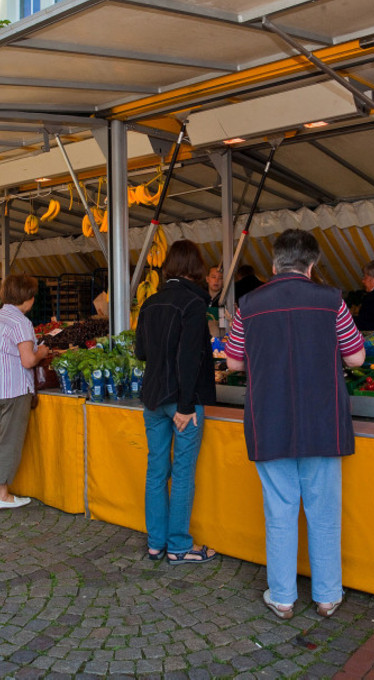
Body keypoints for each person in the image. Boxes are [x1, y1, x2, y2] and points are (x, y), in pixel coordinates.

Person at [225, 229, 365, 619]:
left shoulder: (248, 304)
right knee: (324, 512)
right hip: (322, 421)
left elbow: (234, 362)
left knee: (279, 511)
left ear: (275, 263)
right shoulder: (331, 300)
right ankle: (327, 596)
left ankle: (283, 598)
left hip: (269, 419)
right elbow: (355, 358)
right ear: (312, 264)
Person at [135, 239, 217, 564]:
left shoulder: (150, 303)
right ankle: (180, 546)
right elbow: (189, 358)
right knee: (182, 472)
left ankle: (156, 544)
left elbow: (141, 352)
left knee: (156, 471)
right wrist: (185, 405)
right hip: (183, 399)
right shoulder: (195, 304)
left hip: (153, 398)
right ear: (196, 268)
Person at [0, 274, 50, 510]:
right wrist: (43, 352)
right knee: (10, 444)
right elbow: (28, 361)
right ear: (27, 298)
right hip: (12, 390)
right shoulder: (20, 323)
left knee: (0, 441)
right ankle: (3, 495)